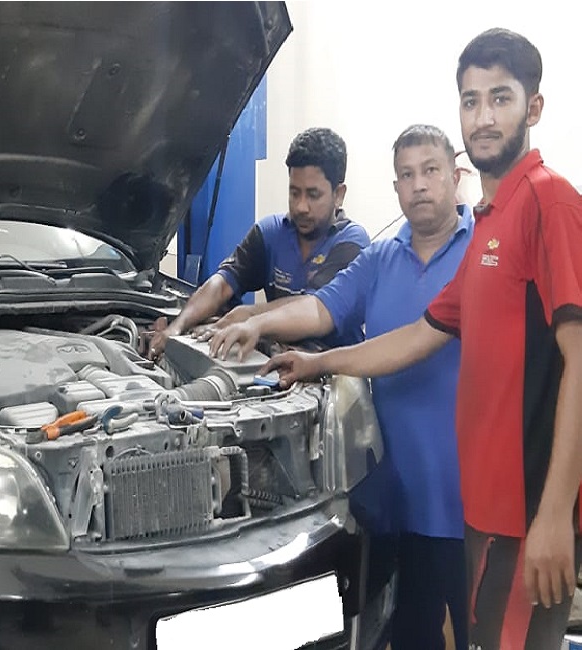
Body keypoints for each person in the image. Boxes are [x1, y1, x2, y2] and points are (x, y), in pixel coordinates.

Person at [262, 28, 582, 650]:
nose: (483, 117)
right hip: (481, 513)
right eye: (470, 100)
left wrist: (553, 517)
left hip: (526, 517)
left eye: (501, 98)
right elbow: (416, 336)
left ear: (534, 108)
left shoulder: (551, 202)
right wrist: (317, 363)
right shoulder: (489, 225)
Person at [206, 124, 471, 650]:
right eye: (406, 175)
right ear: (395, 186)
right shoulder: (380, 258)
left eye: (430, 171)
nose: (418, 185)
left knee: (479, 633)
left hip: (468, 496)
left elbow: (411, 343)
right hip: (397, 494)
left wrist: (315, 359)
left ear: (455, 176)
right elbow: (322, 307)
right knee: (409, 633)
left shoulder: (482, 250)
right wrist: (258, 323)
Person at [145, 127, 370, 360]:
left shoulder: (352, 245)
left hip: (335, 375)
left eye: (313, 195)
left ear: (338, 194)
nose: (301, 206)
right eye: (294, 193)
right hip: (279, 364)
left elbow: (316, 307)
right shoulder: (271, 233)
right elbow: (222, 284)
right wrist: (177, 328)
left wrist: (248, 316)